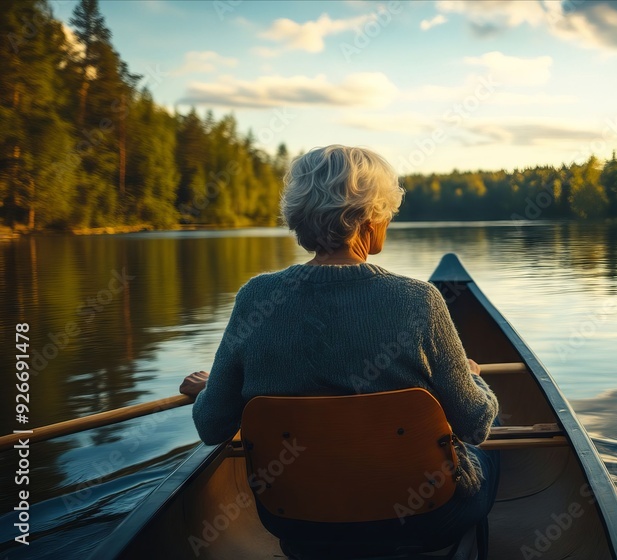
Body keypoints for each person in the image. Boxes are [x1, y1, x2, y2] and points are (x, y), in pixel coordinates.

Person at [179, 145, 500, 555]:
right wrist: (471, 377)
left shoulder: (255, 298)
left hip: (297, 523)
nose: (389, 220)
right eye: (387, 211)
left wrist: (210, 391)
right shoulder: (419, 301)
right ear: (370, 217)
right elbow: (474, 426)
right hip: (423, 519)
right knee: (491, 444)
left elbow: (212, 426)